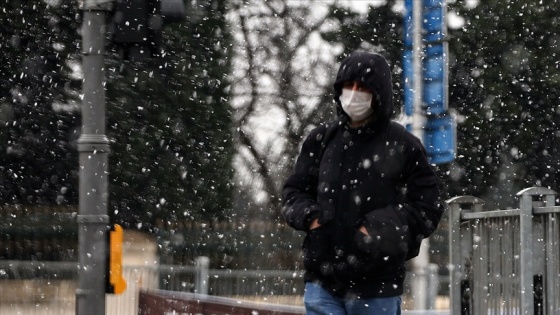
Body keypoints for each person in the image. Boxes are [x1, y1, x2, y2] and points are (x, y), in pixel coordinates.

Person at [281, 51, 444, 315]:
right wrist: (312, 218)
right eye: (348, 86)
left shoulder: (404, 145)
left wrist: (376, 229)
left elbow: (428, 208)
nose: (354, 94)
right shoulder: (321, 140)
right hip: (322, 283)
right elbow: (294, 192)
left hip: (377, 288)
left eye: (362, 87)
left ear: (378, 94)